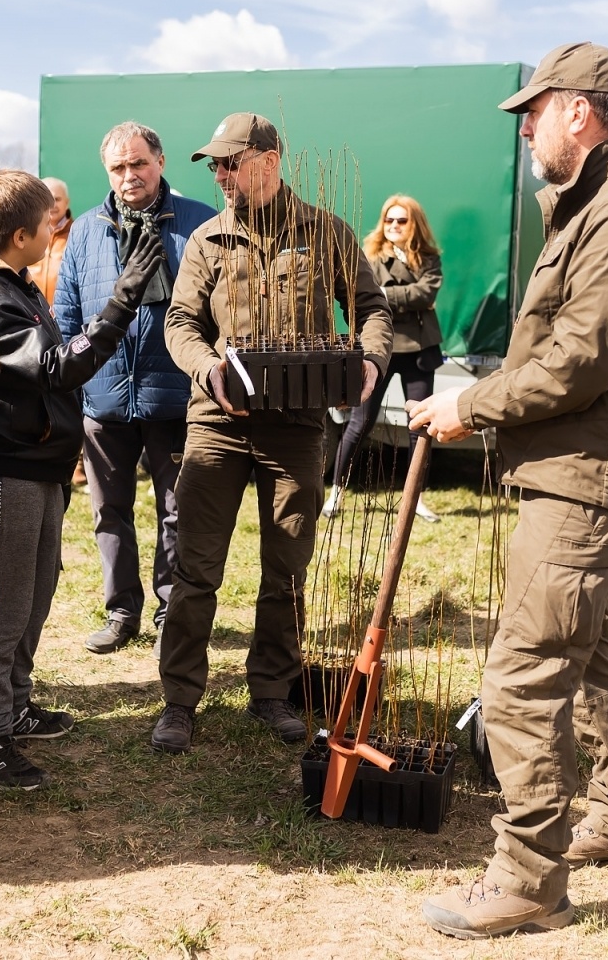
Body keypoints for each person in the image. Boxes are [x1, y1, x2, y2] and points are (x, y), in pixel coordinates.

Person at [409, 42, 608, 939]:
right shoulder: (599, 205)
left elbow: (578, 362)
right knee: (586, 653)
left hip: (590, 482)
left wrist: (470, 406)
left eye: (534, 111)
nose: (526, 128)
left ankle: (529, 877)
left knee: (524, 676)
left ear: (581, 110)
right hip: (587, 473)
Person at [153, 113, 391, 755]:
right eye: (215, 166)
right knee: (195, 567)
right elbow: (180, 322)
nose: (221, 176)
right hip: (217, 424)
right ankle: (179, 700)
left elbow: (369, 308)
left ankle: (271, 693)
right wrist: (207, 369)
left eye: (231, 163)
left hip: (296, 428)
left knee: (286, 568)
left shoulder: (327, 232)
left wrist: (369, 360)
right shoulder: (208, 239)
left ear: (269, 160)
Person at [0, 166, 165, 789]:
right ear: (23, 234)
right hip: (10, 469)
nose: (59, 231)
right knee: (4, 605)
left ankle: (14, 707)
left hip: (41, 466)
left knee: (37, 591)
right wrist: (122, 301)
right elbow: (53, 367)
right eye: (51, 222)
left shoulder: (15, 282)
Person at [55, 122, 216, 655]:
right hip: (103, 397)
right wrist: (74, 383)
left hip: (174, 394)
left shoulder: (200, 223)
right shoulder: (86, 229)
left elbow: (216, 313)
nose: (129, 176)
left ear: (161, 161)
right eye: (118, 168)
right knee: (109, 511)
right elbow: (68, 314)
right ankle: (122, 611)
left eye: (138, 164)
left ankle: (171, 608)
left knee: (177, 509)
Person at [324, 194, 445, 523]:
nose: (393, 225)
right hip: (381, 350)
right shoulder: (370, 256)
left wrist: (386, 295)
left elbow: (427, 293)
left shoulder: (429, 257)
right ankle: (336, 493)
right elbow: (364, 300)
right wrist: (404, 298)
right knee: (359, 423)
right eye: (389, 219)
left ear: (414, 223)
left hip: (419, 351)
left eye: (401, 220)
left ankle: (414, 499)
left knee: (420, 428)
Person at [35, 176, 71, 306]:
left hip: (64, 314)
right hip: (32, 313)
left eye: (57, 199)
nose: (52, 205)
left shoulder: (77, 234)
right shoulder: (27, 235)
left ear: (67, 203)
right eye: (47, 199)